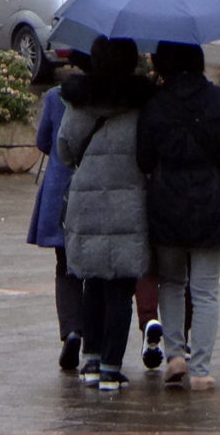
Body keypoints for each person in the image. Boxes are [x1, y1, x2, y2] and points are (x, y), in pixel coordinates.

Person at [137, 41, 220, 391]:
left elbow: (143, 159)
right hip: (212, 205)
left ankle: (175, 356)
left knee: (171, 283)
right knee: (205, 290)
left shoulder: (154, 105)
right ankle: (201, 369)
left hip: (166, 206)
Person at [59, 37, 155, 391]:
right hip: (129, 203)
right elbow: (149, 152)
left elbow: (66, 148)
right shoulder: (142, 102)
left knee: (92, 282)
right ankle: (112, 368)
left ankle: (91, 360)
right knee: (120, 287)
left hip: (87, 202)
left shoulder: (79, 101)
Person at [27, 51, 90, 371]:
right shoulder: (109, 99)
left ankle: (71, 331)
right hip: (93, 191)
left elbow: (43, 142)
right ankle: (92, 338)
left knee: (65, 267)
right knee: (93, 271)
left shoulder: (54, 98)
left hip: (59, 191)